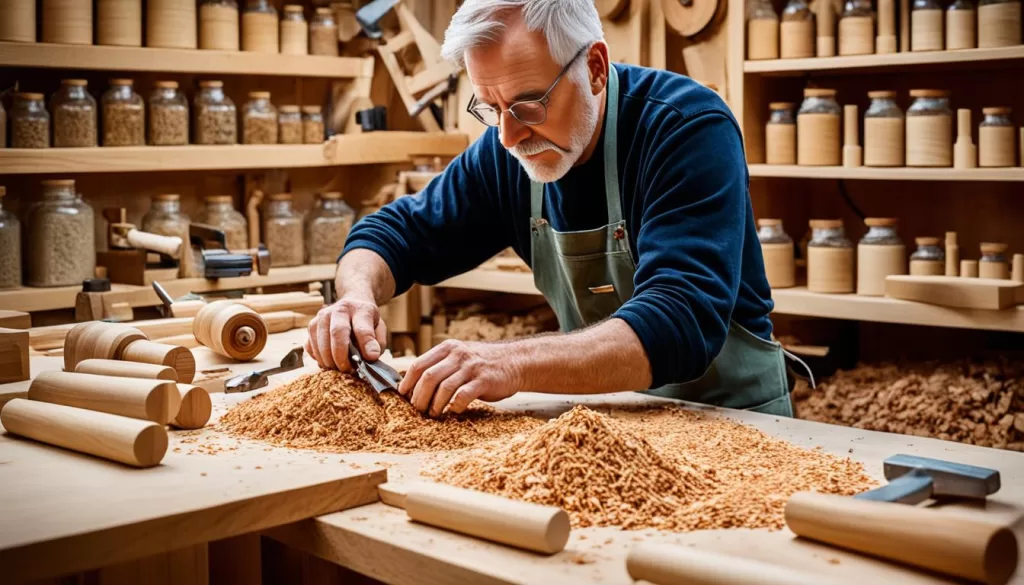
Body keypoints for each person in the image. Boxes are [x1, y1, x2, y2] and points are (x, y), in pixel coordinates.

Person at [305, 0, 793, 418]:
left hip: (734, 422)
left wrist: (509, 363)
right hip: (612, 425)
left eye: (529, 105)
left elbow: (679, 322)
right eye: (491, 108)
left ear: (595, 69)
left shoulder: (686, 129)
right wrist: (356, 297)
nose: (508, 136)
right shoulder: (507, 150)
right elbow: (395, 232)